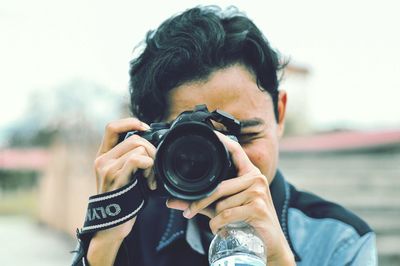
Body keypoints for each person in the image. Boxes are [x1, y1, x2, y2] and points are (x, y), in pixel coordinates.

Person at [72, 5, 377, 266]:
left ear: (280, 113)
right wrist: (103, 238)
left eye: (244, 136)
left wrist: (278, 259)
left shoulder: (339, 241)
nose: (231, 158)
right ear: (152, 140)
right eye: (196, 145)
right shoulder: (129, 227)